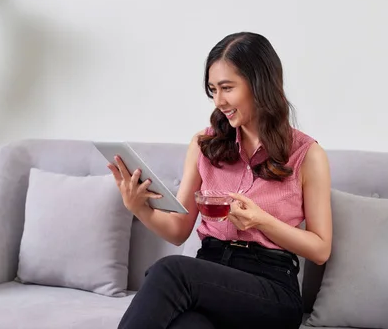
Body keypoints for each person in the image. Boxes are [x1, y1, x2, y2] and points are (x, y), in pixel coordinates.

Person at [107, 32, 332, 329]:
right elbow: (178, 230)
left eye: (227, 88)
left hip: (270, 289)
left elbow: (320, 249)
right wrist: (140, 208)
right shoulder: (205, 144)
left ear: (260, 84)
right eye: (213, 89)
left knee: (169, 272)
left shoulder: (307, 154)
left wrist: (261, 221)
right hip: (208, 277)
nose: (218, 100)